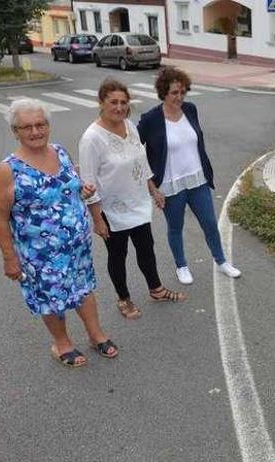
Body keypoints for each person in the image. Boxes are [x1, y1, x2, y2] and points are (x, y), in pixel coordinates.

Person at [0, 98, 118, 368]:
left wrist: (82, 191)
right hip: (40, 255)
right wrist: (9, 258)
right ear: (15, 131)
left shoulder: (60, 152)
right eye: (26, 127)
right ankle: (62, 343)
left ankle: (96, 335)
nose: (35, 131)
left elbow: (70, 188)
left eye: (40, 124)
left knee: (83, 290)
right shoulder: (8, 170)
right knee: (51, 300)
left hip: (76, 246)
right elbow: (0, 218)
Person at [79, 78, 186, 320]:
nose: (119, 107)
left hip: (137, 202)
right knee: (118, 255)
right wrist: (97, 219)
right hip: (112, 209)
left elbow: (141, 160)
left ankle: (156, 289)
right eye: (113, 102)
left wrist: (153, 190)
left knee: (146, 248)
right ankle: (123, 298)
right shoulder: (91, 138)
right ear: (102, 102)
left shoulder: (129, 125)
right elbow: (88, 182)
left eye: (124, 103)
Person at [137, 66, 241, 285]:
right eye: (174, 92)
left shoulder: (190, 109)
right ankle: (181, 266)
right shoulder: (151, 119)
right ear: (163, 92)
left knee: (210, 224)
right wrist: (152, 189)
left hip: (197, 180)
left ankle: (221, 261)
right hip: (170, 185)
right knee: (175, 228)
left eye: (183, 91)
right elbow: (136, 153)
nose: (179, 97)